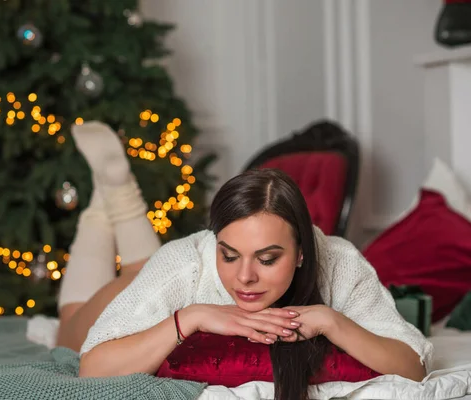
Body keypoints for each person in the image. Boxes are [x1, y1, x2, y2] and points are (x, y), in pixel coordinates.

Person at [57, 121, 433, 400]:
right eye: (229, 255)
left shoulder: (340, 262)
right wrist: (192, 317)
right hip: (150, 281)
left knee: (141, 265)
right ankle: (114, 198)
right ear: (215, 243)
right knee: (68, 324)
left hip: (158, 274)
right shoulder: (185, 264)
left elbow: (412, 366)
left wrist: (330, 320)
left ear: (302, 251)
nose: (245, 278)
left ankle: (117, 200)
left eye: (267, 259)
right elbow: (93, 369)